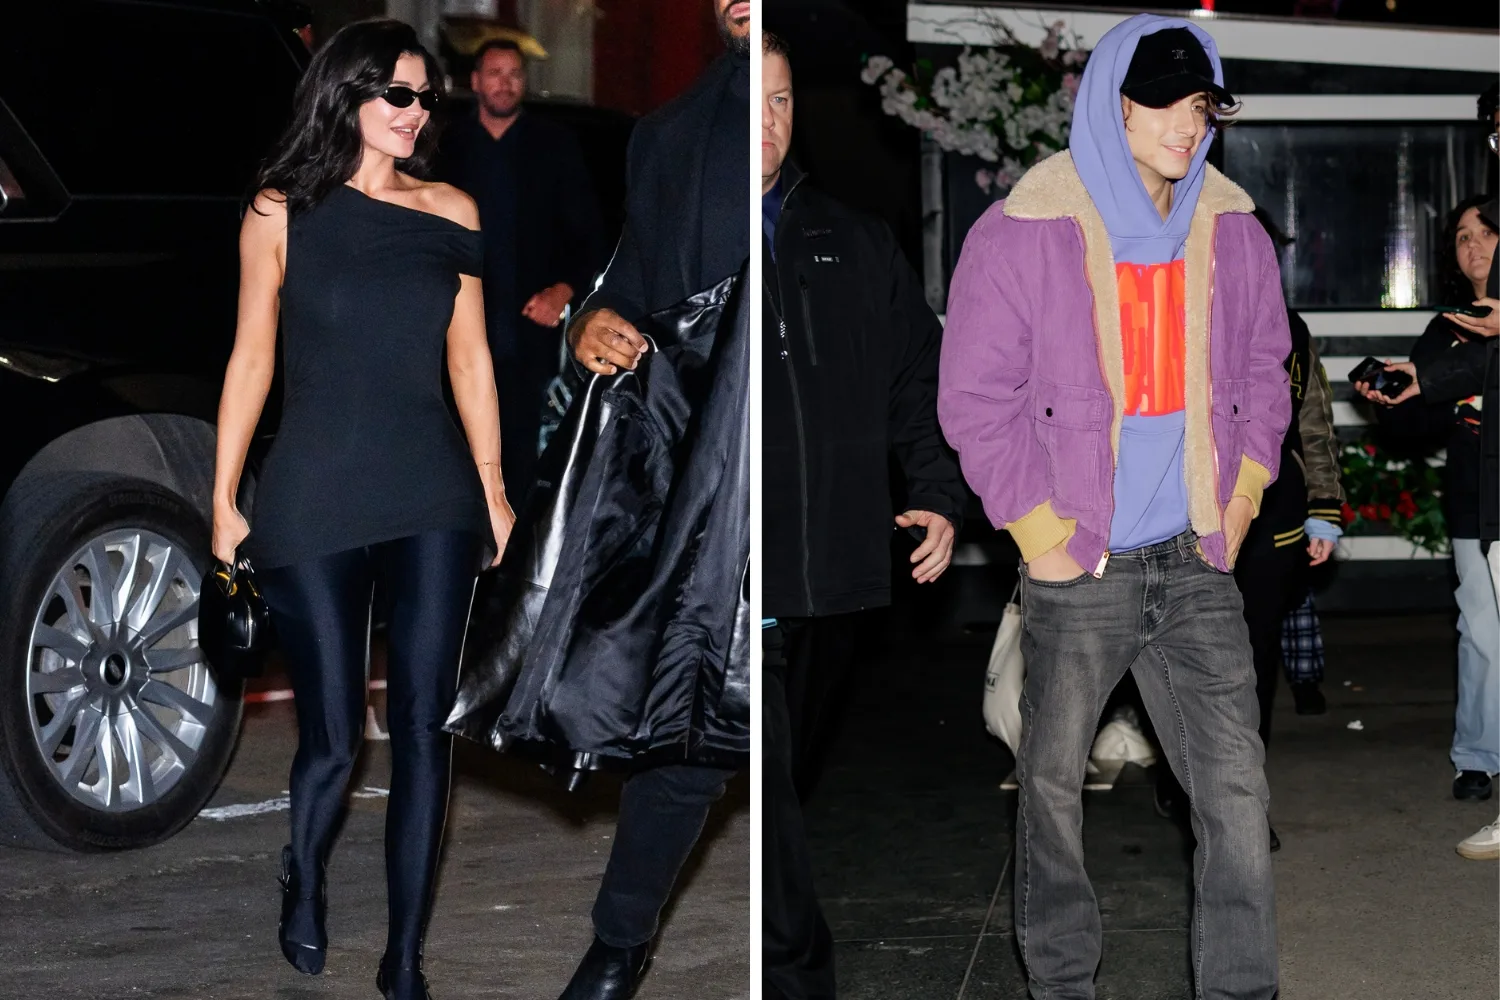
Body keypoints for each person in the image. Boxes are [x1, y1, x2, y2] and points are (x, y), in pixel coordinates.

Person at [938, 15, 1291, 999]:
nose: (1187, 124)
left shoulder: (1233, 230)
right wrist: (1040, 534)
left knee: (1236, 796)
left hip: (1195, 559)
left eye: (1202, 104)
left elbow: (1268, 371)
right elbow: (974, 395)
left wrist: (1245, 493)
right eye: (1165, 101)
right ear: (1113, 102)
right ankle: (1063, 988)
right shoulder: (1027, 227)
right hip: (1080, 562)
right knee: (1050, 801)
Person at [211, 21, 514, 1000]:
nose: (413, 110)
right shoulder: (280, 209)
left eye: (425, 96)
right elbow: (252, 356)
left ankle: (406, 958)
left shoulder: (452, 210)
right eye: (394, 91)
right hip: (315, 488)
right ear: (345, 93)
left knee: (426, 723)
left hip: (431, 486)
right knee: (335, 735)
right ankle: (304, 875)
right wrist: (222, 496)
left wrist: (495, 484)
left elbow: (470, 357)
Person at [759, 29, 968, 999]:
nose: (767, 120)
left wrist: (933, 493)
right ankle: (800, 970)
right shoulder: (683, 235)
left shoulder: (852, 237)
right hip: (733, 564)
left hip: (836, 566)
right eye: (750, 99)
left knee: (782, 781)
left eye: (784, 98)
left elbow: (914, 379)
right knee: (762, 783)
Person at [551, 1, 749, 996]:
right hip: (704, 475)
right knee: (693, 716)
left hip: (808, 485)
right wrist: (590, 322)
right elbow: (624, 278)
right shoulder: (669, 132)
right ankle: (620, 943)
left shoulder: (819, 147)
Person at [1153, 210, 1345, 852]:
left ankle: (1237, 803)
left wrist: (1325, 503)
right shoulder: (1168, 309)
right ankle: (1186, 783)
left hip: (1272, 521)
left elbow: (1312, 420)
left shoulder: (1288, 325)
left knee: (1253, 661)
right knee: (1181, 655)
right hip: (1181, 510)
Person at [1358, 86, 1498, 858]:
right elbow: (1416, 416)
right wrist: (1386, 394)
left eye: (1484, 233)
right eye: (1460, 238)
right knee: (1480, 630)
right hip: (1476, 496)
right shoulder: (1446, 328)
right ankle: (1478, 757)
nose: (1471, 248)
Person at [438, 39, 606, 504]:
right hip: (455, 334)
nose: (505, 83)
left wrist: (564, 291)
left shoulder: (553, 146)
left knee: (526, 464)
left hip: (530, 337)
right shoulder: (446, 148)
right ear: (474, 81)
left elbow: (590, 234)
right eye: (494, 72)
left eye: (514, 73)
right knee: (454, 457)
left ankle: (516, 567)